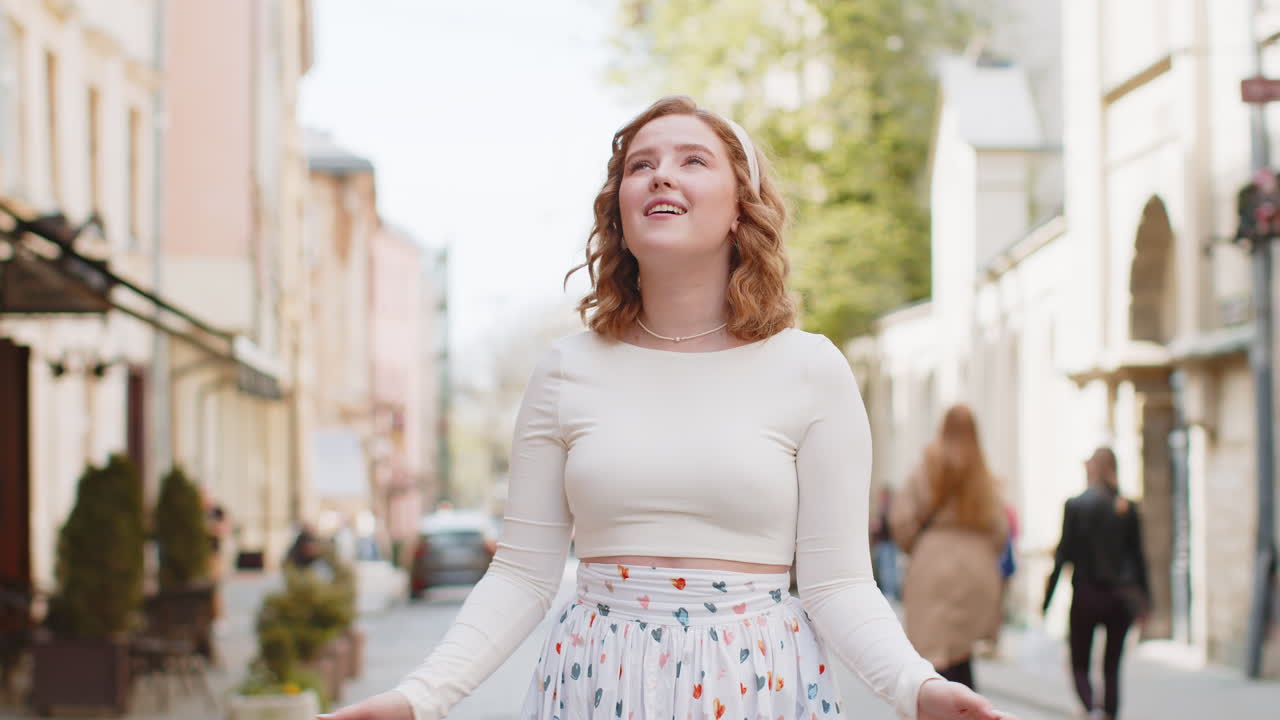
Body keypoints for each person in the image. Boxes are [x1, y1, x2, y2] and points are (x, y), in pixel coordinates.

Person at [320, 96, 1015, 720]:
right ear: (619, 209)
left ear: (740, 205)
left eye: (693, 160)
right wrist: (418, 698)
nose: (660, 174)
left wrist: (915, 686)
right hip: (597, 683)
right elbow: (522, 576)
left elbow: (837, 584)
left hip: (756, 689)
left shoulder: (810, 369)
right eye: (640, 164)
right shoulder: (567, 369)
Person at [889, 404, 1007, 691]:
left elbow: (901, 521)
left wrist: (915, 545)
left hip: (932, 565)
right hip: (976, 567)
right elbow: (1000, 529)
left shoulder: (926, 467)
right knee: (962, 655)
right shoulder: (982, 473)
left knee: (932, 657)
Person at [1043, 447, 1150, 720]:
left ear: (1091, 469)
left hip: (1087, 594)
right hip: (1120, 597)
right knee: (1112, 664)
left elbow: (1063, 555)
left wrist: (1047, 600)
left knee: (1079, 662)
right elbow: (1138, 558)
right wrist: (1146, 600)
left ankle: (1091, 710)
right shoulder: (1126, 507)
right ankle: (1109, 714)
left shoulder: (1076, 505)